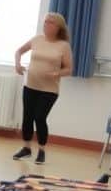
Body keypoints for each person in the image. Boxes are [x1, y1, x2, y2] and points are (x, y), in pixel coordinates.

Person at [13, 12, 73, 164]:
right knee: (27, 117)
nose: (46, 25)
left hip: (49, 89)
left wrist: (57, 73)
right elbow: (19, 51)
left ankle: (41, 150)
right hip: (30, 85)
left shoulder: (63, 46)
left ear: (58, 27)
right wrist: (17, 64)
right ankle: (26, 148)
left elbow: (69, 69)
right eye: (45, 22)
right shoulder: (37, 39)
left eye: (50, 23)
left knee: (39, 118)